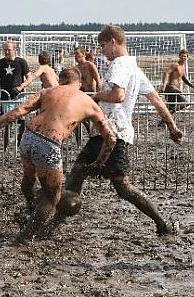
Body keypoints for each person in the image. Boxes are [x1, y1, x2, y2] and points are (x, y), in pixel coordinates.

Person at [53, 25, 184, 237]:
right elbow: (156, 100)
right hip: (109, 131)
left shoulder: (119, 65)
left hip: (114, 132)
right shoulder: (134, 67)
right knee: (79, 171)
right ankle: (56, 220)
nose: (101, 50)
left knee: (122, 186)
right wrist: (172, 127)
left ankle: (162, 223)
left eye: (103, 45)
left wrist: (94, 97)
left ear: (113, 42)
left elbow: (118, 95)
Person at [0, 68, 116, 242]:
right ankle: (26, 236)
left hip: (28, 136)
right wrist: (99, 162)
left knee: (29, 179)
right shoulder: (89, 102)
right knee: (53, 197)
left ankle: (31, 208)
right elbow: (111, 139)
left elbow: (19, 110)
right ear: (78, 83)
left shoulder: (48, 91)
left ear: (61, 81)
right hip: (49, 143)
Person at [0, 40, 33, 146]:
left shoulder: (21, 62)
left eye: (9, 50)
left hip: (19, 97)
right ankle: (6, 145)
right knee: (6, 122)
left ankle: (20, 141)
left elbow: (29, 78)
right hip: (5, 97)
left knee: (22, 120)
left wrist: (21, 87)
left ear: (14, 50)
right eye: (5, 50)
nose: (6, 52)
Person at [161, 49, 194, 114]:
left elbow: (184, 79)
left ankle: (163, 121)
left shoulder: (183, 67)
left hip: (174, 88)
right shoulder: (175, 65)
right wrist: (164, 86)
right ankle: (170, 112)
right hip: (171, 87)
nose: (183, 58)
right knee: (185, 103)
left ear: (187, 57)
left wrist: (193, 86)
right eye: (182, 56)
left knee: (170, 107)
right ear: (179, 56)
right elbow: (166, 73)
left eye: (185, 56)